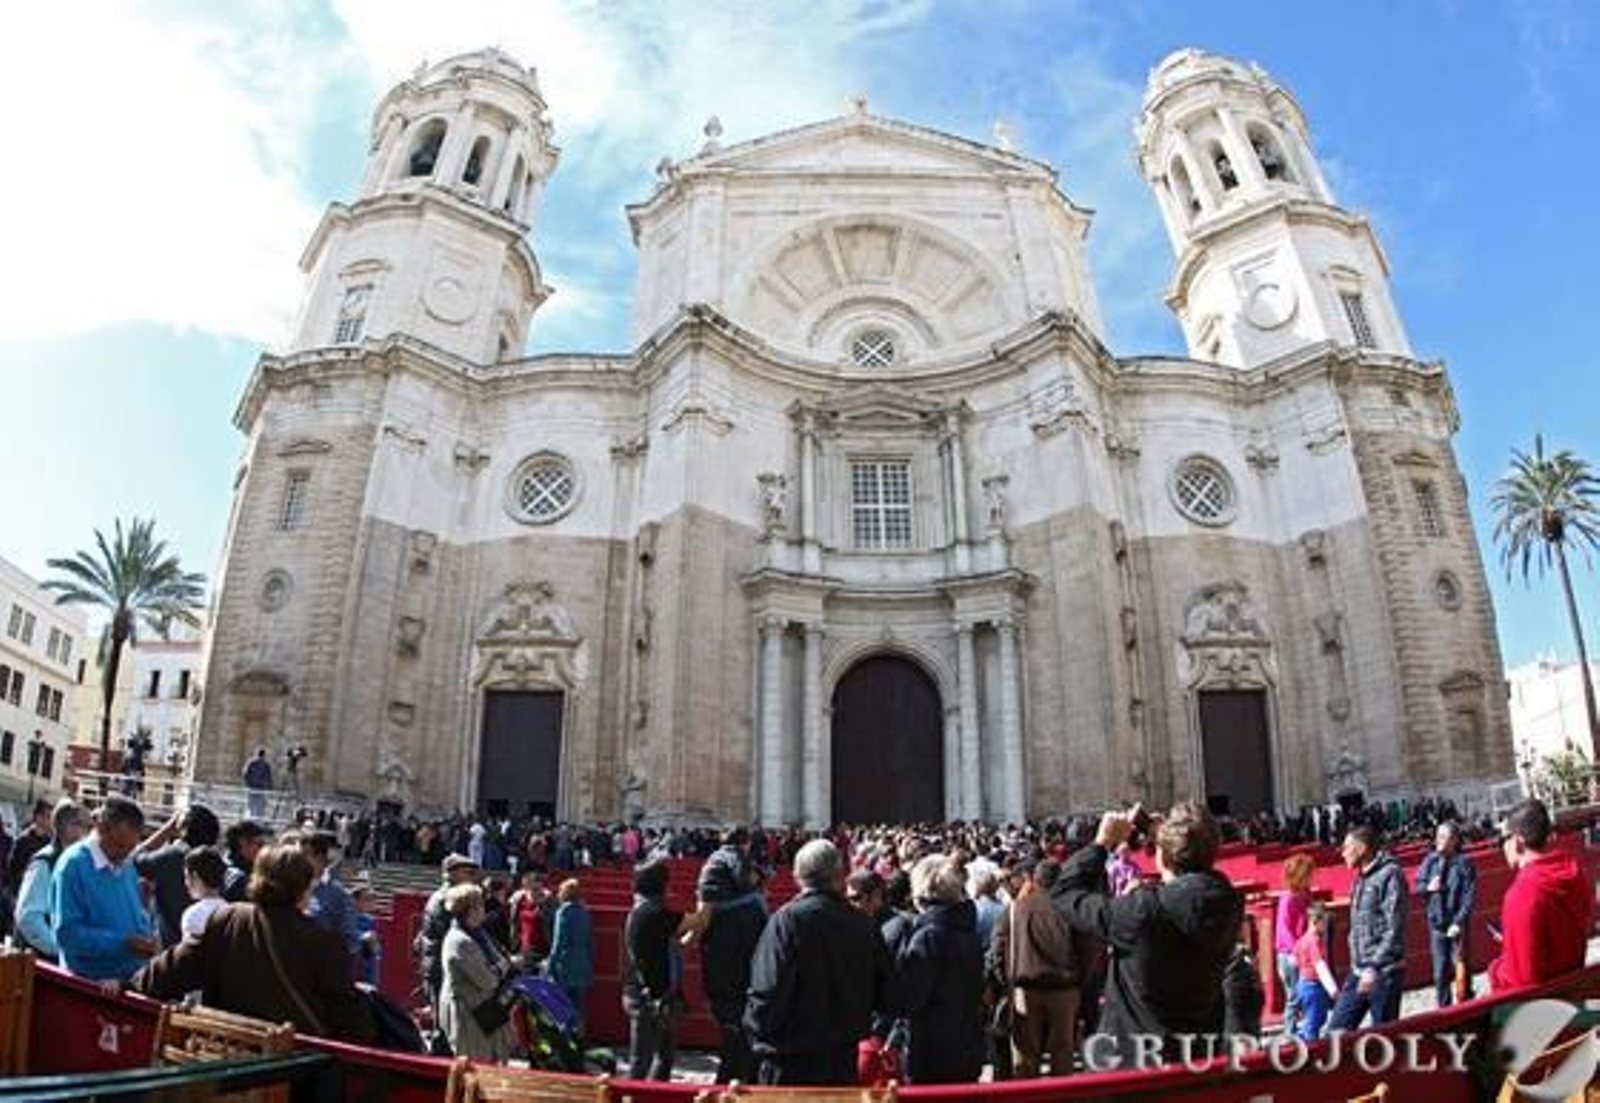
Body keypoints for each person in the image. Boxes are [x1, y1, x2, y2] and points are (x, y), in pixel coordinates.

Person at [1049, 802, 1243, 1068]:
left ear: (1162, 855)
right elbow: (1192, 889)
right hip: (1196, 1057)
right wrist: (1169, 840)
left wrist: (1102, 843)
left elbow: (1064, 895)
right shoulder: (1228, 902)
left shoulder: (1143, 911)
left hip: (1135, 1065)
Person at [132, 843, 374, 1043]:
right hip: (294, 1077)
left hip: (226, 1063)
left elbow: (164, 974)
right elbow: (352, 1027)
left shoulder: (227, 919)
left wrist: (126, 984)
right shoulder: (326, 944)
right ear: (304, 889)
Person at [746, 839, 892, 1086]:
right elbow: (886, 991)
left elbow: (767, 992)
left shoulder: (787, 921)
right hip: (842, 1059)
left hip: (790, 1061)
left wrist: (756, 1034)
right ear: (841, 875)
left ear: (797, 876)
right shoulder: (863, 924)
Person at [892, 854, 984, 1084]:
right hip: (967, 1045)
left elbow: (912, 998)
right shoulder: (967, 930)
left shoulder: (927, 937)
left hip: (931, 1051)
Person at [1489, 798, 1595, 990]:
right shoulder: (1575, 874)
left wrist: (1495, 969)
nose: (1501, 846)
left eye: (1502, 839)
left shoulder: (1521, 894)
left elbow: (1522, 981)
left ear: (1518, 842)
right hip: (1576, 989)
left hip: (1544, 1009)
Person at [52, 795, 159, 981]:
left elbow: (135, 916)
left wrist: (147, 935)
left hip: (129, 980)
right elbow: (67, 935)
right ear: (101, 828)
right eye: (119, 846)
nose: (123, 857)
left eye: (129, 850)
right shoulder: (72, 865)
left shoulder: (125, 862)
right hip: (88, 986)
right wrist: (123, 943)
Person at [992, 857, 1080, 1078]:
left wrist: (1005, 983)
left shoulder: (1015, 909)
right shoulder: (1070, 908)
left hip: (1025, 988)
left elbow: (998, 950)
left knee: (1025, 1054)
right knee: (1063, 1052)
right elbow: (1087, 949)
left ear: (1034, 880)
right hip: (1065, 987)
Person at [696, 827, 768, 1084]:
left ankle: (730, 1078)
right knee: (738, 1024)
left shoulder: (713, 865)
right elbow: (742, 876)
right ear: (745, 843)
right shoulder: (733, 860)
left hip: (721, 957)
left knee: (730, 1026)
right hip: (737, 957)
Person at [623, 859, 698, 1081]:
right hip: (647, 998)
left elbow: (681, 944)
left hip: (657, 996)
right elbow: (699, 921)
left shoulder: (646, 911)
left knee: (664, 1057)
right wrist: (707, 899)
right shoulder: (653, 915)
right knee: (641, 1062)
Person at [1328, 824, 1408, 1030]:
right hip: (1359, 969)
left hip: (1384, 971)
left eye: (1347, 847)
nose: (1342, 853)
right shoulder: (1360, 879)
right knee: (1335, 1033)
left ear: (1362, 849)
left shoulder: (1391, 874)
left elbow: (1394, 927)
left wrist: (1374, 966)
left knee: (1384, 1037)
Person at [438, 883, 517, 1061]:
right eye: (480, 904)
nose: (484, 908)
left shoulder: (478, 934)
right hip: (469, 1014)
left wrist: (501, 967)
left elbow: (500, 962)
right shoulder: (460, 941)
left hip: (485, 1008)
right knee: (475, 1066)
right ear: (470, 910)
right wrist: (501, 968)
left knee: (495, 1059)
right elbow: (488, 980)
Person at [13, 799, 89, 961]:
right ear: (61, 826)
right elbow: (29, 918)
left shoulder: (78, 863)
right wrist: (61, 949)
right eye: (77, 824)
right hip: (34, 963)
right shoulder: (44, 862)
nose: (83, 832)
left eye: (85, 826)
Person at [137, 804, 221, 948]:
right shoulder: (214, 859)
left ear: (183, 828)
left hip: (171, 948)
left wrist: (167, 830)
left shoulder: (173, 856)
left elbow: (134, 859)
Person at [418, 853, 483, 1030]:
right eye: (467, 872)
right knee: (445, 1026)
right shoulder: (448, 899)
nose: (472, 877)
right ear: (451, 873)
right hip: (443, 968)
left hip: (438, 965)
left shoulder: (439, 895)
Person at [1416, 821, 1477, 1007]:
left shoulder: (1465, 863)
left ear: (1454, 840)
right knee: (1440, 973)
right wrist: (1428, 887)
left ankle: (1466, 1005)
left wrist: (1458, 922)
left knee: (1462, 969)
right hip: (1437, 926)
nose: (1438, 841)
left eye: (1443, 837)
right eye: (1438, 837)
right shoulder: (1430, 861)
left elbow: (1469, 897)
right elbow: (1419, 886)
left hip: (1456, 926)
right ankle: (1444, 1010)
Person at [298, 831, 361, 965]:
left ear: (320, 858)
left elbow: (351, 943)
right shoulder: (288, 886)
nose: (298, 859)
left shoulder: (339, 895)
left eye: (304, 854)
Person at [546, 878, 595, 1033]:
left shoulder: (563, 912)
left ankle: (565, 1041)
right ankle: (579, 1039)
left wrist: (551, 964)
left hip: (565, 965)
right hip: (583, 963)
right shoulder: (585, 912)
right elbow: (590, 942)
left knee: (561, 1007)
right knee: (579, 1007)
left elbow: (558, 942)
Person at [1291, 902, 1340, 1042]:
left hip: (1303, 984)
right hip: (1313, 987)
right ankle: (1308, 1052)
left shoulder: (1302, 940)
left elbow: (1293, 960)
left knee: (1313, 1020)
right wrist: (1333, 990)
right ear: (1316, 922)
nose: (1326, 926)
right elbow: (1320, 966)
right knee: (1314, 1022)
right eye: (1324, 922)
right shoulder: (1314, 941)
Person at [1222, 918, 1264, 1040]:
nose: (1247, 931)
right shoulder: (1235, 952)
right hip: (1238, 1005)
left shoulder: (1244, 951)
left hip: (1248, 1007)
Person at [5, 799, 54, 893]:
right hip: (21, 892)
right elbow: (11, 870)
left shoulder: (50, 842)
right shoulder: (23, 840)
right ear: (38, 817)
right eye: (48, 816)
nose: (51, 821)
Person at [179, 846, 228, 940]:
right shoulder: (231, 910)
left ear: (195, 876)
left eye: (186, 876)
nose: (185, 883)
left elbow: (190, 952)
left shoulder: (193, 915)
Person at [222, 820, 272, 904]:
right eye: (260, 844)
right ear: (243, 843)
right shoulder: (239, 880)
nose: (263, 848)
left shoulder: (225, 865)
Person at [243, 748, 272, 819]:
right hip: (260, 789)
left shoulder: (251, 763)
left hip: (253, 788)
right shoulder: (265, 765)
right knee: (259, 809)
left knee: (251, 808)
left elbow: (245, 774)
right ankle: (258, 823)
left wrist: (248, 783)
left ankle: (250, 821)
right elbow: (269, 778)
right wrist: (268, 786)